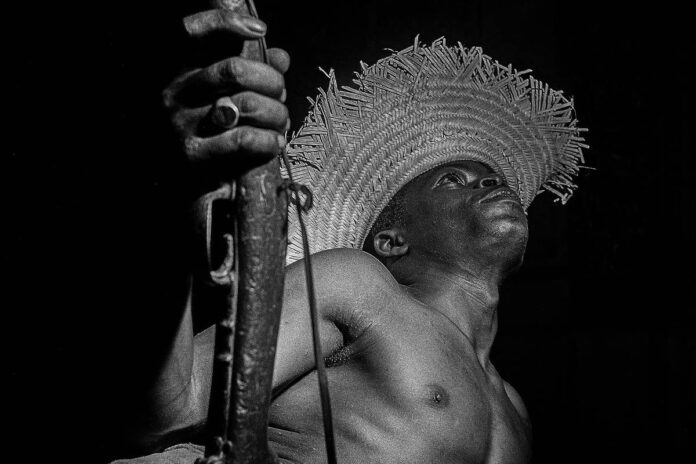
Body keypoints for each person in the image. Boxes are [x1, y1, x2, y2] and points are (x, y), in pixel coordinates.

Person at [112, 5, 586, 464]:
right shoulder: (359, 285)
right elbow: (174, 407)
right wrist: (170, 181)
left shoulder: (514, 409)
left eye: (493, 178)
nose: (490, 182)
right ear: (391, 242)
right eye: (453, 180)